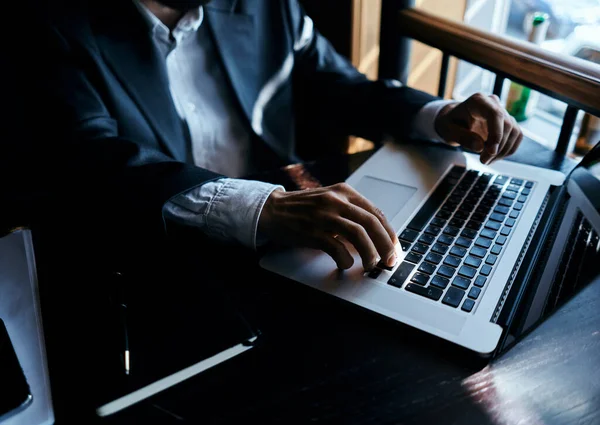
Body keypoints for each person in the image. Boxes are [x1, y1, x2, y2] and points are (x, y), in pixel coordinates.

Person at [21, 0, 523, 274]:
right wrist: (263, 207)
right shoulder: (50, 24)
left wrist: (438, 116)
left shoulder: (267, 6)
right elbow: (92, 159)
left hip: (297, 241)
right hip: (155, 256)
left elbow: (336, 84)